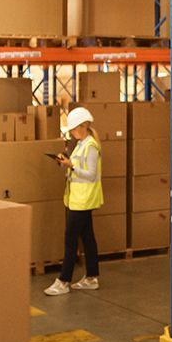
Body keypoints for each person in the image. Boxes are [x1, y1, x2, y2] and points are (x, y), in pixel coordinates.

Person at [44, 107, 103, 296]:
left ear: (84, 126)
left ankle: (63, 280)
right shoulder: (80, 144)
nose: (71, 132)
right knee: (87, 238)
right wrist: (66, 162)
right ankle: (92, 277)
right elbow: (78, 169)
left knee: (70, 240)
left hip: (83, 200)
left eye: (74, 129)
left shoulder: (91, 146)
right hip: (77, 199)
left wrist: (72, 165)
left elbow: (91, 174)